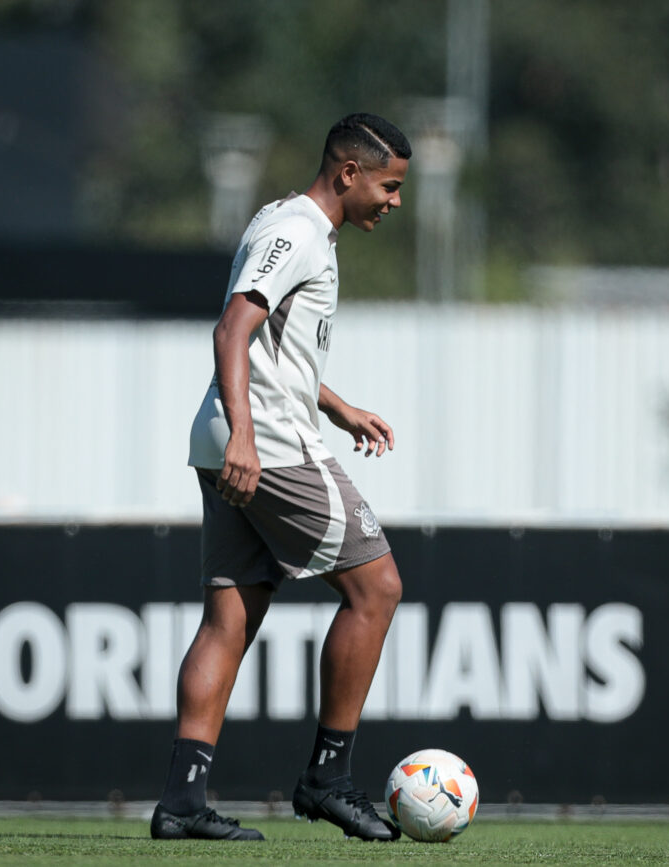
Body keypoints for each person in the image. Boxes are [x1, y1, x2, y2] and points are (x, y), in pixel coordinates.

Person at [150, 113, 411, 843]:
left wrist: (337, 404)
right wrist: (244, 433)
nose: (394, 201)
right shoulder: (296, 233)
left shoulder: (283, 222)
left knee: (229, 616)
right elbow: (232, 329)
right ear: (349, 173)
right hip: (265, 447)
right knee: (378, 587)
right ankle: (328, 779)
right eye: (389, 186)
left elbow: (273, 350)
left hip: (236, 439)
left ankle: (182, 801)